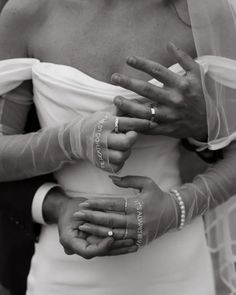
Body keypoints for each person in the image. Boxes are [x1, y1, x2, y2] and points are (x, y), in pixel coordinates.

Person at [0, 0, 235, 294]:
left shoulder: (203, 12)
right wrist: (69, 141)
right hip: (65, 266)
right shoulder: (28, 12)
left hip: (176, 265)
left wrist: (178, 208)